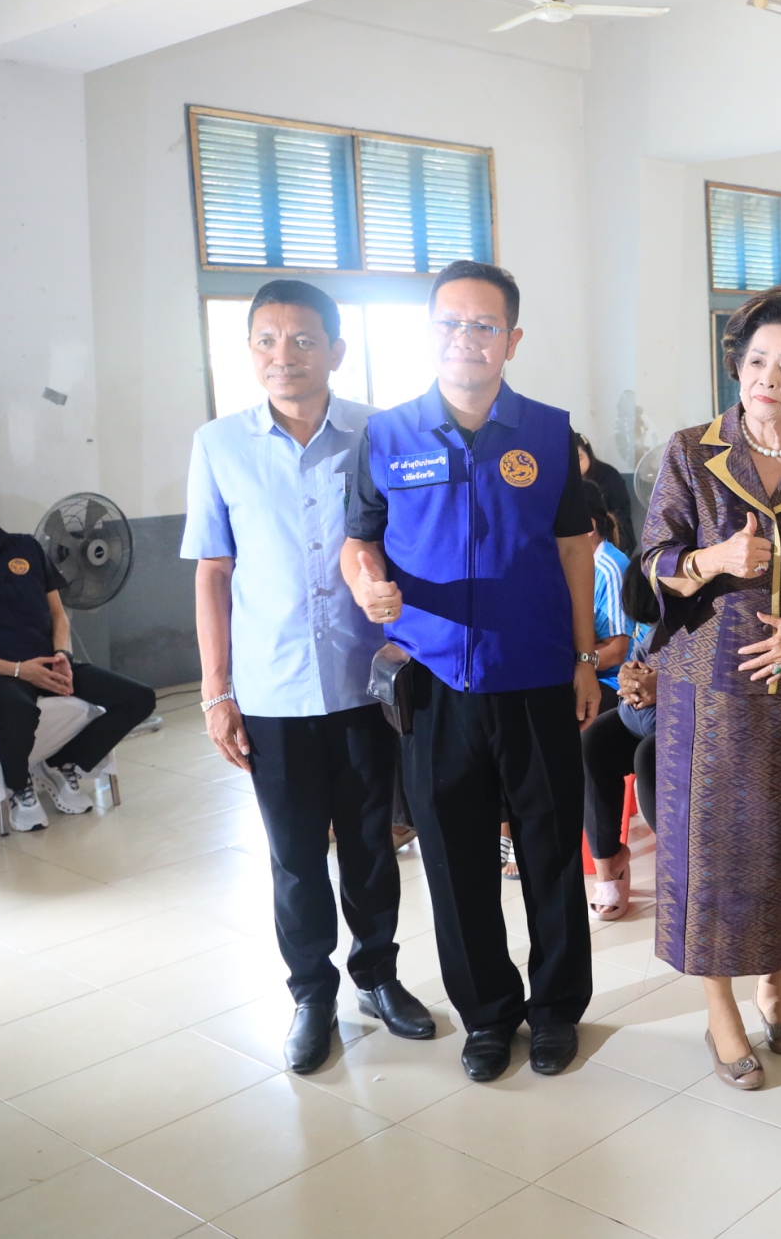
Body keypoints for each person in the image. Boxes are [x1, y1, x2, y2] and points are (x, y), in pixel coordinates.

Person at [341, 258, 601, 1085]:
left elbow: (572, 550)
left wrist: (587, 656)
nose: (466, 339)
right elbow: (358, 541)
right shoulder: (385, 437)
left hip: (535, 675)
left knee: (552, 851)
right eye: (451, 323)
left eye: (485, 325)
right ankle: (487, 1015)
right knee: (453, 862)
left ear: (512, 339)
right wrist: (366, 585)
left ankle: (557, 1008)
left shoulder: (551, 433)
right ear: (429, 334)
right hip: (434, 682)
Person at [183, 278, 433, 1076]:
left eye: (300, 340)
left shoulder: (378, 434)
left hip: (367, 684)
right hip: (273, 690)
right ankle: (310, 994)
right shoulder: (219, 444)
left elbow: (410, 546)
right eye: (264, 339)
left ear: (336, 350)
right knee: (294, 854)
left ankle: (378, 976)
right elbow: (213, 575)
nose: (281, 356)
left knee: (371, 843)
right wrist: (216, 689)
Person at [640, 282, 781, 1092]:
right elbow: (651, 560)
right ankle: (720, 1008)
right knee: (712, 852)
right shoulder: (690, 451)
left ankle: (776, 983)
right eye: (758, 360)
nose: (769, 377)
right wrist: (712, 562)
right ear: (738, 366)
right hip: (709, 694)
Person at [0, 464, 157, 833]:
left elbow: (58, 614)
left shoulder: (26, 547)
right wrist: (17, 670)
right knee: (18, 709)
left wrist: (63, 656)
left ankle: (67, 763)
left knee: (139, 698)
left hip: (48, 662)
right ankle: (20, 789)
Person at [580, 558, 661, 921]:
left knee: (649, 756)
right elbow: (636, 656)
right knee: (592, 743)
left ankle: (681, 869)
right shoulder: (653, 613)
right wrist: (630, 678)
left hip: (682, 724)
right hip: (635, 717)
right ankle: (608, 862)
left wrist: (666, 686)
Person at [578, 477, 638, 919]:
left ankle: (605, 864)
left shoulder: (609, 567)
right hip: (586, 674)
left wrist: (574, 661)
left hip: (620, 687)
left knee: (585, 739)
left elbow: (617, 650)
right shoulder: (570, 564)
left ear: (590, 526)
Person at [575, 434, 635, 556]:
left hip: (609, 535)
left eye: (580, 458)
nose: (576, 464)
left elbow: (622, 511)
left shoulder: (608, 475)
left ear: (589, 454)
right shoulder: (567, 480)